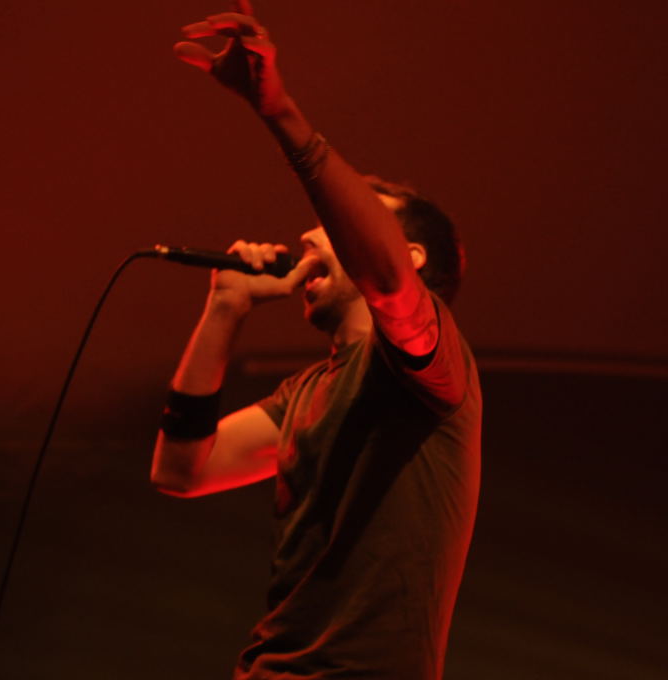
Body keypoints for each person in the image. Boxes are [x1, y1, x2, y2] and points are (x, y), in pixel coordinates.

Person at [149, 3, 482, 679]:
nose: (307, 234)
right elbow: (181, 471)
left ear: (411, 256)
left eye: (336, 225)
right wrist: (223, 310)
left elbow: (383, 276)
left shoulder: (430, 362)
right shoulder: (305, 393)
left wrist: (279, 112)